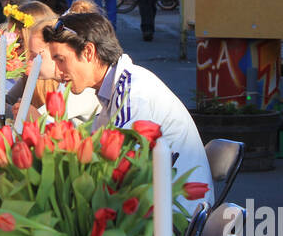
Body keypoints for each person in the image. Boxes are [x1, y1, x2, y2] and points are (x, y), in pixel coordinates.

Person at [41, 11, 212, 211]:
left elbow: (118, 171)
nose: (56, 70)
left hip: (174, 220)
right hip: (157, 208)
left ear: (88, 52)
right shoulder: (118, 85)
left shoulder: (132, 94)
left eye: (60, 59)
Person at [12, 1, 97, 123]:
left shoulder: (78, 86)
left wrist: (30, 116)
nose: (28, 60)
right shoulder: (64, 83)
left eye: (34, 56)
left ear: (54, 53)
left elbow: (47, 126)